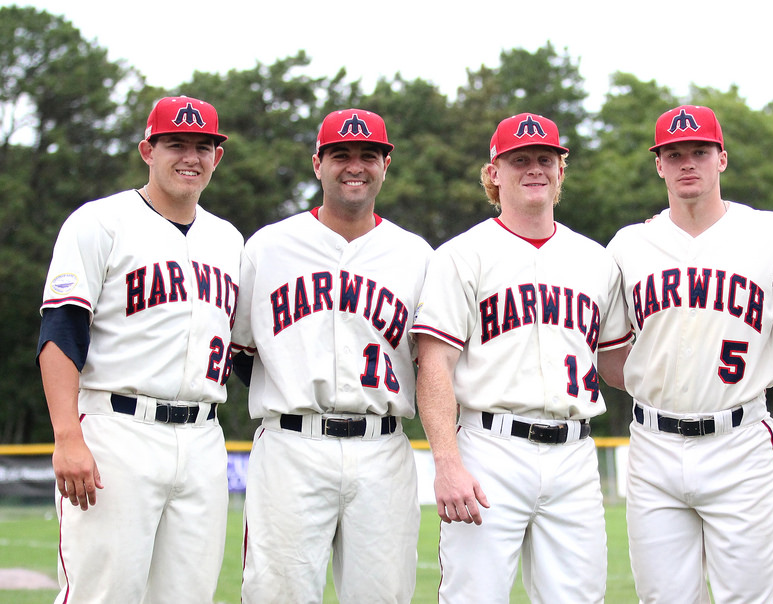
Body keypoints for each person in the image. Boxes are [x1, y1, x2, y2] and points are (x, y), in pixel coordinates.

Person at [411, 112, 632, 603]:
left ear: (560, 170)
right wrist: (447, 462)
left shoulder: (596, 260)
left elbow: (618, 364)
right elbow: (434, 365)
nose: (535, 168)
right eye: (519, 160)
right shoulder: (461, 254)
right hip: (490, 448)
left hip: (575, 452)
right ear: (494, 173)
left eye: (545, 159)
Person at [37, 95, 240, 603]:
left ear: (219, 155)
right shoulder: (100, 222)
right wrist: (67, 436)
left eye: (202, 145)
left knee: (187, 596)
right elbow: (61, 332)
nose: (190, 156)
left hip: (202, 438)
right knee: (103, 593)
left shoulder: (230, 241)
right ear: (148, 149)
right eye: (176, 144)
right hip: (117, 432)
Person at [606, 105, 773, 603]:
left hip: (740, 441)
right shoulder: (629, 245)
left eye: (699, 151)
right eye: (673, 154)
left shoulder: (772, 234)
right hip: (653, 443)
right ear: (659, 165)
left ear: (723, 159)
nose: (686, 162)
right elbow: (608, 352)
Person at [231, 108, 431, 603]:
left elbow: (430, 364)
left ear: (387, 164)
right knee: (277, 593)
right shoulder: (268, 247)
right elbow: (241, 351)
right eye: (340, 155)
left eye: (368, 155)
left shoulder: (415, 255)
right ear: (317, 163)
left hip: (382, 447)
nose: (354, 166)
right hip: (291, 446)